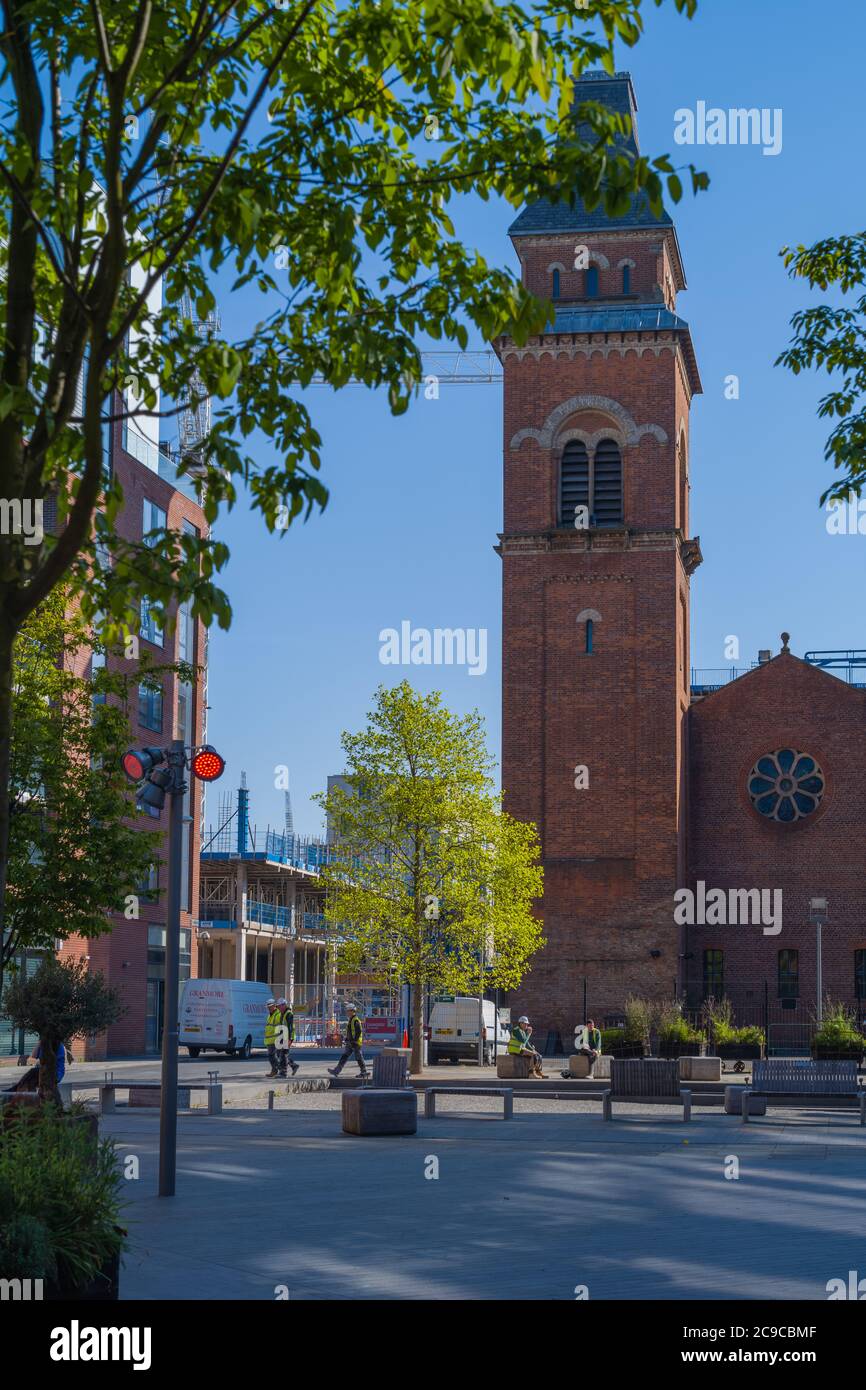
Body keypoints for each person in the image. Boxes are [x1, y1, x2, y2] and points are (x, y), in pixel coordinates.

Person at [327, 1003, 369, 1079]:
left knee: (358, 1057)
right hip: (351, 1042)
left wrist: (354, 1041)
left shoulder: (355, 1020)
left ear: (352, 1011)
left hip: (355, 1043)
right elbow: (350, 1031)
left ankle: (364, 1072)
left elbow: (359, 1031)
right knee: (345, 1056)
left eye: (348, 1011)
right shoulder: (351, 1020)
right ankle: (336, 1071)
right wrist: (347, 1039)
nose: (347, 1012)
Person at [277, 997, 299, 1077]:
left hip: (288, 1036)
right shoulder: (282, 1013)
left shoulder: (289, 1014)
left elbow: (290, 1027)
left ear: (284, 1005)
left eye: (279, 1006)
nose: (278, 1008)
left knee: (283, 1054)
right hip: (283, 1036)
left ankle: (283, 1072)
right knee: (280, 1053)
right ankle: (293, 1065)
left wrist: (289, 1039)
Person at [264, 997, 282, 1077]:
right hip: (269, 1039)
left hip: (276, 1039)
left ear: (274, 1006)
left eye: (270, 1007)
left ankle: (281, 1070)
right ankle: (274, 1070)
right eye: (268, 1007)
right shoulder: (269, 1016)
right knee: (271, 1056)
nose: (269, 1008)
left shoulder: (278, 1015)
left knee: (275, 1056)